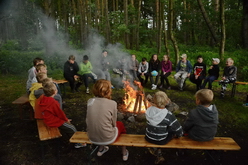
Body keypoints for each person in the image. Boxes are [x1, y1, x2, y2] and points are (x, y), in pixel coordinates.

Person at [86, 79, 129, 161]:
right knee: (120, 124)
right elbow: (114, 123)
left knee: (98, 123)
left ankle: (101, 149)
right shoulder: (112, 103)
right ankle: (124, 152)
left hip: (91, 136)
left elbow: (88, 119)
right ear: (109, 91)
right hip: (108, 138)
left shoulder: (90, 101)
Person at [38, 81, 86, 148]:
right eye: (56, 89)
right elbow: (60, 114)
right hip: (53, 121)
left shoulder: (44, 98)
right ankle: (78, 143)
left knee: (68, 126)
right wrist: (66, 120)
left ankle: (73, 138)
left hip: (48, 119)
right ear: (55, 92)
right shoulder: (53, 103)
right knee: (72, 128)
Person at [145, 91, 183, 164]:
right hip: (161, 140)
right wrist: (179, 134)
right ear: (166, 101)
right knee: (172, 130)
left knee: (158, 128)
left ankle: (158, 152)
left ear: (154, 101)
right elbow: (178, 129)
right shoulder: (168, 115)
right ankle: (179, 151)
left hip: (148, 137)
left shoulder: (148, 111)